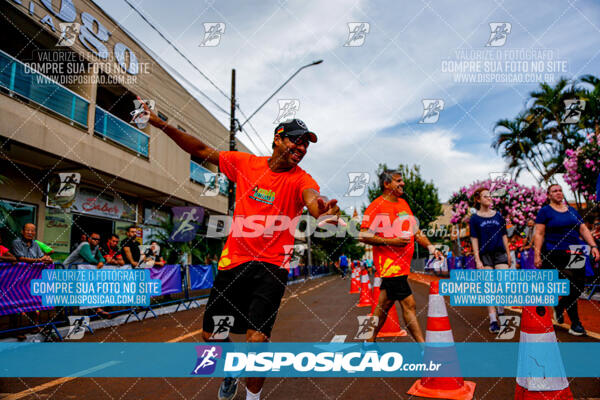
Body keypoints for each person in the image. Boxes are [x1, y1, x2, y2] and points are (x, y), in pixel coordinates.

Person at [142, 98, 339, 400]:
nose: (300, 149)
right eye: (295, 141)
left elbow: (312, 199)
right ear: (278, 138)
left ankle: (253, 397)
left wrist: (321, 212)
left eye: (304, 146)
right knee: (212, 335)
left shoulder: (302, 179)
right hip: (233, 263)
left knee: (257, 339)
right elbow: (201, 151)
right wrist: (157, 122)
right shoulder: (246, 164)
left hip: (272, 267)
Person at [359, 170, 441, 343]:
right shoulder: (376, 206)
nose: (402, 184)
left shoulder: (403, 203)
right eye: (398, 181)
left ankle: (368, 341)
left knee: (383, 307)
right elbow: (363, 235)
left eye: (402, 181)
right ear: (386, 184)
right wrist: (392, 241)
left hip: (402, 266)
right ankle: (423, 347)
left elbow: (416, 232)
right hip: (390, 267)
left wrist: (432, 248)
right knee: (409, 305)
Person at [534, 184, 600, 336]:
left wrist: (593, 246)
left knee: (578, 286)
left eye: (560, 190)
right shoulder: (545, 211)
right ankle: (576, 324)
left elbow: (583, 229)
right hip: (554, 251)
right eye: (554, 191)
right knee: (564, 285)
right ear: (548, 195)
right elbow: (539, 233)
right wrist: (537, 254)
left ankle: (559, 306)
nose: (558, 193)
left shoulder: (572, 210)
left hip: (575, 251)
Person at [469, 188, 511, 334]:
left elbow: (504, 235)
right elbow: (474, 239)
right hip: (485, 255)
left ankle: (501, 310)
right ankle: (493, 320)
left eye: (490, 196)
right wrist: (477, 259)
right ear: (478, 200)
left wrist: (509, 254)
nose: (489, 198)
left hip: (500, 253)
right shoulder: (474, 219)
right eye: (485, 196)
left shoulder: (498, 216)